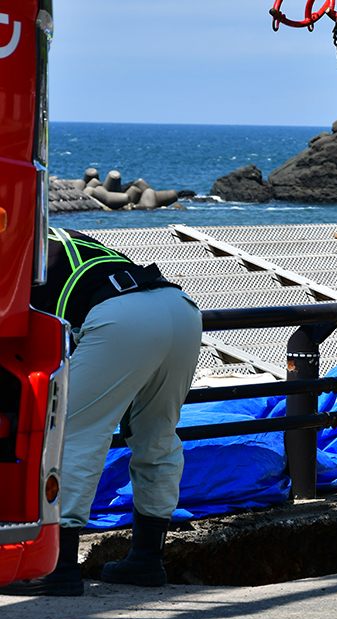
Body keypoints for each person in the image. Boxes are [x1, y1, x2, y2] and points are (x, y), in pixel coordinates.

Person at [1, 228, 202, 596]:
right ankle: (146, 560)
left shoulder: (13, 252)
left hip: (121, 318)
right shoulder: (50, 233)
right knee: (157, 436)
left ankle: (56, 568)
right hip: (179, 308)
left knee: (70, 437)